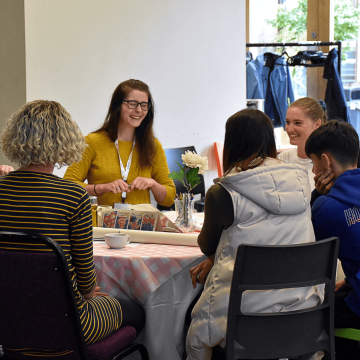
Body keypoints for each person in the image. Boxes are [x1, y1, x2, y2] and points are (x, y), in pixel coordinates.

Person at [0, 100, 145, 358]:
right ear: (64, 142)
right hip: (68, 324)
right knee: (136, 311)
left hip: (8, 322)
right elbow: (86, 281)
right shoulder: (72, 195)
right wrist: (89, 292)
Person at [186, 109, 324, 360]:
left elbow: (206, 244)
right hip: (302, 314)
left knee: (186, 315)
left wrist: (214, 256)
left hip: (244, 319)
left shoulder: (222, 192)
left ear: (232, 142)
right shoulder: (301, 182)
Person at [64, 79, 176, 207]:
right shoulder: (92, 142)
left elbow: (169, 198)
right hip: (102, 224)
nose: (139, 110)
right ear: (118, 106)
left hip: (141, 224)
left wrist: (153, 184)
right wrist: (102, 188)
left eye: (144, 105)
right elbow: (69, 186)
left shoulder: (153, 145)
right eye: (132, 103)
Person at [305, 120, 360, 359]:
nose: (314, 171)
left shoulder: (327, 207)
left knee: (303, 315)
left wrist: (316, 196)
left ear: (326, 161)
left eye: (314, 163)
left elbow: (306, 257)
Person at [278, 97, 329, 191]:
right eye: (288, 122)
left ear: (317, 124)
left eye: (297, 123)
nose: (289, 129)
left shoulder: (327, 164)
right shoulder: (282, 159)